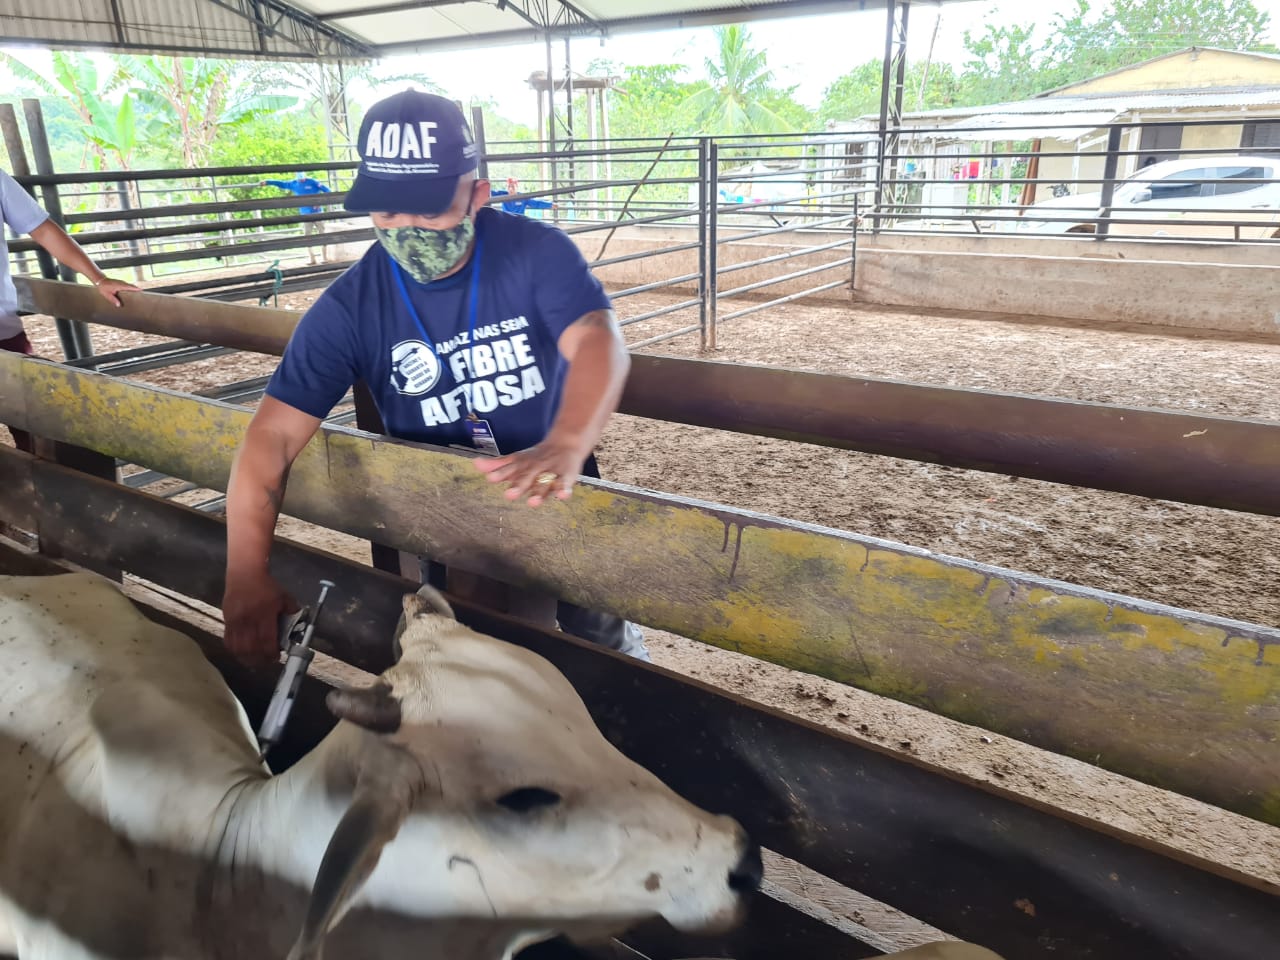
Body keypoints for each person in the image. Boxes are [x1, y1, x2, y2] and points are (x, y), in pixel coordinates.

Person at [223, 89, 649, 664]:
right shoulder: (352, 306)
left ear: (477, 194)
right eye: (387, 212)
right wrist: (246, 572)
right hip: (446, 510)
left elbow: (598, 339)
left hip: (556, 482)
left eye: (429, 210)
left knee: (603, 639)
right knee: (467, 648)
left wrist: (568, 442)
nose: (408, 230)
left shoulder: (534, 253)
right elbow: (271, 435)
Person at [0, 168, 137, 451]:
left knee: (36, 429)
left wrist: (98, 278)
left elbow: (42, 228)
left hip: (3, 330)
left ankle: (44, 493)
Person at [260, 172, 332, 264]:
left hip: (317, 213)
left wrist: (320, 202)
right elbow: (281, 183)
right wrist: (268, 182)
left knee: (322, 234)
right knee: (307, 236)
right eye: (299, 179)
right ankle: (312, 259)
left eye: (302, 178)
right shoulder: (293, 184)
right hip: (305, 214)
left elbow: (327, 190)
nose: (301, 180)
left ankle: (325, 257)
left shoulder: (313, 182)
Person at [490, 176, 556, 216]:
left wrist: (550, 205)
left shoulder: (522, 197)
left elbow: (535, 203)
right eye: (509, 186)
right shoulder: (503, 194)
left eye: (513, 186)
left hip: (519, 222)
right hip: (506, 221)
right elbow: (491, 192)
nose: (510, 189)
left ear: (517, 187)